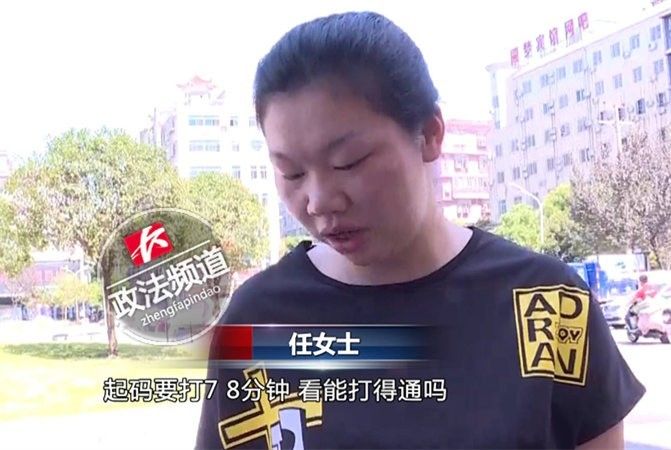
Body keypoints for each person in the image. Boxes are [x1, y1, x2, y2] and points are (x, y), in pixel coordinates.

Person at [195, 11, 645, 450]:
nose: (318, 201)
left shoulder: (548, 303)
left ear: (430, 134)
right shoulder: (260, 319)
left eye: (348, 162)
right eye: (291, 173)